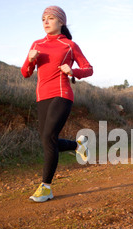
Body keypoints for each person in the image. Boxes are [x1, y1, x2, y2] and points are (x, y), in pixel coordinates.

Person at [21, 5, 93, 203]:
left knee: (48, 136)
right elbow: (25, 73)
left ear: (61, 22)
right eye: (43, 18)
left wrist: (72, 71)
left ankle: (46, 187)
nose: (46, 21)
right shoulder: (36, 44)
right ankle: (79, 145)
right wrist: (29, 60)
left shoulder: (69, 45)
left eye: (51, 18)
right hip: (42, 96)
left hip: (62, 94)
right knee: (47, 140)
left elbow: (88, 69)